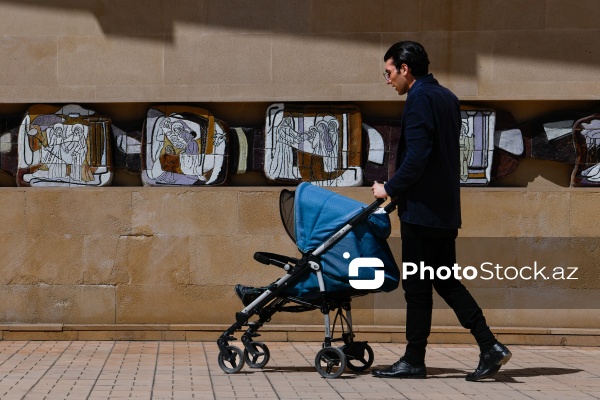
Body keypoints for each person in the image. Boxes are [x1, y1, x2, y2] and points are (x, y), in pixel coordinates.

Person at [370, 41, 511, 382]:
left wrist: (388, 188)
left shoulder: (419, 99)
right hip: (444, 211)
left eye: (388, 73)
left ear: (405, 68)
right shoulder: (446, 97)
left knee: (418, 288)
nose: (387, 80)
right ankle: (489, 346)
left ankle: (414, 360)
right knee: (444, 281)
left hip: (422, 214)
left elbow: (417, 157)